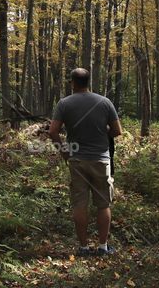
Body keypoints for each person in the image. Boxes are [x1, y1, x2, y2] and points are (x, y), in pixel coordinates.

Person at [48, 67, 123, 257]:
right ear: (88, 82)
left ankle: (83, 248)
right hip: (101, 160)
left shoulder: (64, 103)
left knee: (79, 204)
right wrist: (102, 132)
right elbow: (117, 131)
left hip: (77, 160)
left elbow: (53, 131)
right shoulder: (104, 102)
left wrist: (64, 151)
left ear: (72, 82)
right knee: (103, 204)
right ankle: (103, 247)